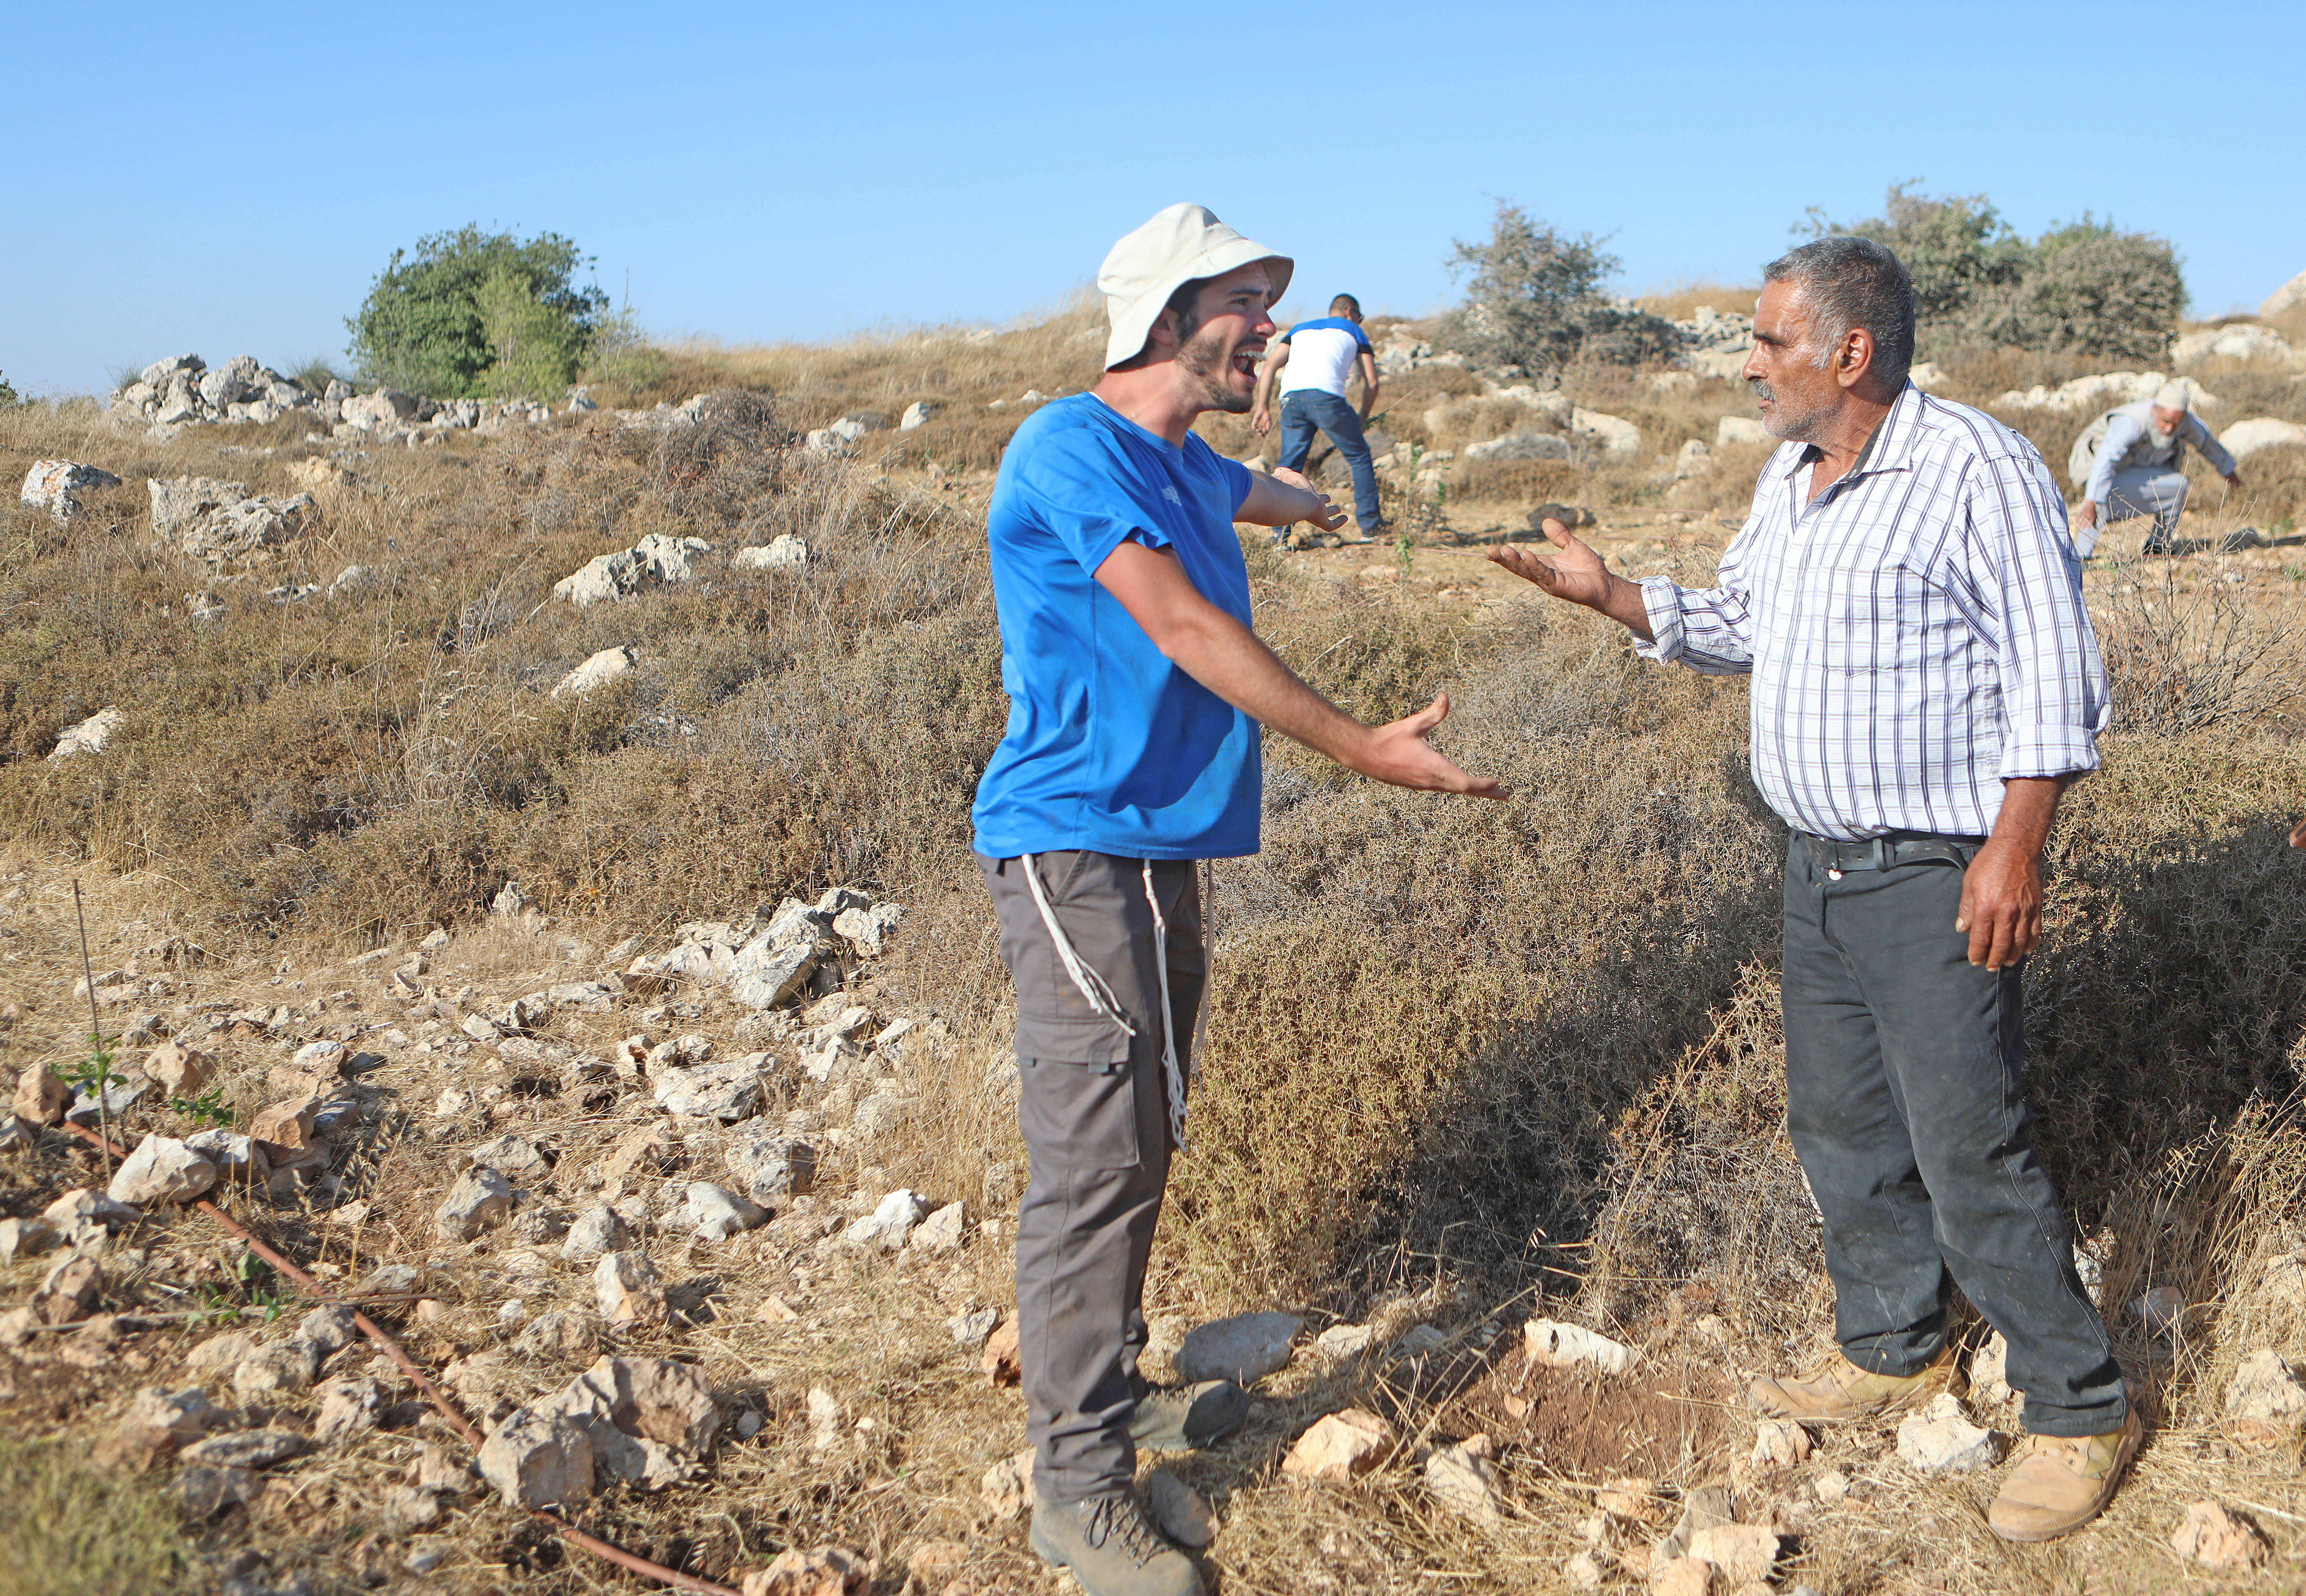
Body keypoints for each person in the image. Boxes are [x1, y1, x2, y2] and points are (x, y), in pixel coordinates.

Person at [1489, 236, 2139, 1544]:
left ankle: (2077, 1406)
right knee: (1839, 1126)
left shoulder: (1972, 466)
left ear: (1848, 352)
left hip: (1932, 872)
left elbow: (2052, 674)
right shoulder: (1787, 477)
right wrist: (1611, 593)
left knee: (1968, 1141)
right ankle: (1890, 1342)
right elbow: (1741, 623)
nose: (1745, 364)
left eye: (1766, 341)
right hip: (1815, 868)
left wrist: (2011, 849)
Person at [972, 203, 1501, 1596]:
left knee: (1142, 1128)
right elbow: (1188, 627)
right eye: (1245, 306)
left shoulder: (1182, 464)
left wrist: (1324, 500)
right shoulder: (1073, 448)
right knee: (1096, 1153)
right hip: (1077, 847)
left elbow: (1258, 497)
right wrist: (1365, 746)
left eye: (1272, 305)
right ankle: (1078, 1488)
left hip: (1155, 849)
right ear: (1164, 317)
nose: (1268, 329)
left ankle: (1109, 1385)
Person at [1250, 293, 1386, 543]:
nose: (1360, 321)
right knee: (1359, 457)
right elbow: (1373, 381)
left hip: (1290, 399)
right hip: (1327, 398)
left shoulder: (1300, 329)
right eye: (1360, 317)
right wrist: (1362, 417)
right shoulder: (1354, 331)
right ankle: (1370, 527)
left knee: (1289, 467)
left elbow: (1269, 365)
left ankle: (1280, 535)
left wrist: (1262, 407)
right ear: (1350, 312)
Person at [2071, 382, 2242, 556]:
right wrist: (2091, 501)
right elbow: (2105, 461)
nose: (2170, 429)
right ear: (2155, 410)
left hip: (2132, 471)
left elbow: (2207, 444)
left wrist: (2229, 472)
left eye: (2176, 424)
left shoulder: (2186, 422)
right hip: (2091, 469)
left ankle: (2158, 546)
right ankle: (2080, 556)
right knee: (2100, 494)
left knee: (2178, 486)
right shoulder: (2132, 422)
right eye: (2166, 422)